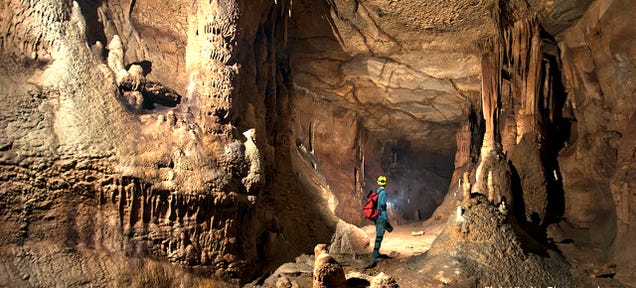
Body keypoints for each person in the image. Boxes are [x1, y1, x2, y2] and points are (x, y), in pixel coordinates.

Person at [372, 175, 392, 261]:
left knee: (378, 234)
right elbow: (382, 206)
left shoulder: (376, 191)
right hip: (381, 216)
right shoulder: (383, 193)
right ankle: (375, 254)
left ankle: (376, 252)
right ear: (385, 183)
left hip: (376, 216)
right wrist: (385, 218)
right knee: (379, 236)